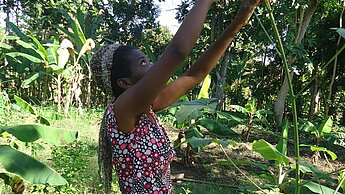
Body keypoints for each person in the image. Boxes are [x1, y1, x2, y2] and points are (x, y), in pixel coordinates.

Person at [91, 0, 264, 193]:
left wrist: (238, 22)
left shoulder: (145, 108)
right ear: (125, 83)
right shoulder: (123, 110)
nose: (153, 67)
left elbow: (193, 76)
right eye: (143, 63)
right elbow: (178, 51)